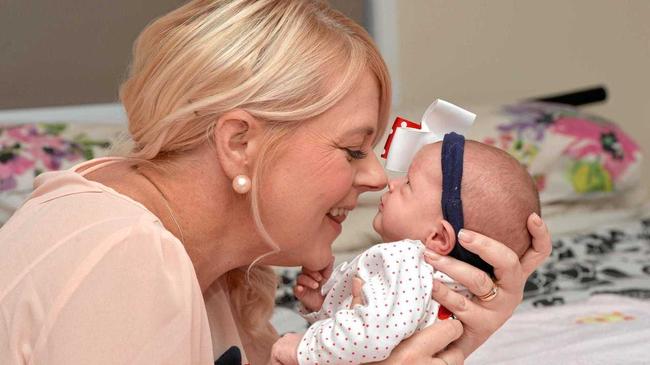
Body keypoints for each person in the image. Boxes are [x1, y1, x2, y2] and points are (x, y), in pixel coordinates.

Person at [0, 1, 551, 364]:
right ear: (239, 143)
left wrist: (453, 332)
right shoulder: (123, 260)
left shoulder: (201, 258)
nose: (376, 177)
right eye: (354, 148)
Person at [270, 136, 540, 364]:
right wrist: (326, 305)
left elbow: (370, 336)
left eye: (409, 184)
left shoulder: (404, 259)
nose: (391, 183)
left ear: (438, 236)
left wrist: (304, 350)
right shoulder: (452, 290)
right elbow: (381, 327)